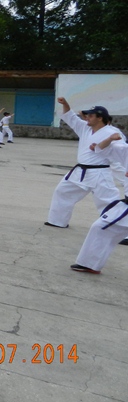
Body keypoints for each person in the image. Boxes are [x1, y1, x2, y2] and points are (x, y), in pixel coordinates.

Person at [45, 101, 122, 229]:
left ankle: (123, 233)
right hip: (80, 171)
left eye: (91, 116)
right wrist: (65, 103)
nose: (87, 118)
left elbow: (121, 151)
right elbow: (70, 116)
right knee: (62, 191)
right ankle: (57, 221)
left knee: (108, 202)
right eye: (87, 115)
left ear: (100, 118)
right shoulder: (85, 127)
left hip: (100, 173)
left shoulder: (112, 132)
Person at [70, 132, 128, 274]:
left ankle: (89, 264)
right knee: (101, 228)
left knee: (101, 227)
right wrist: (108, 139)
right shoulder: (125, 150)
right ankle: (90, 264)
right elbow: (101, 148)